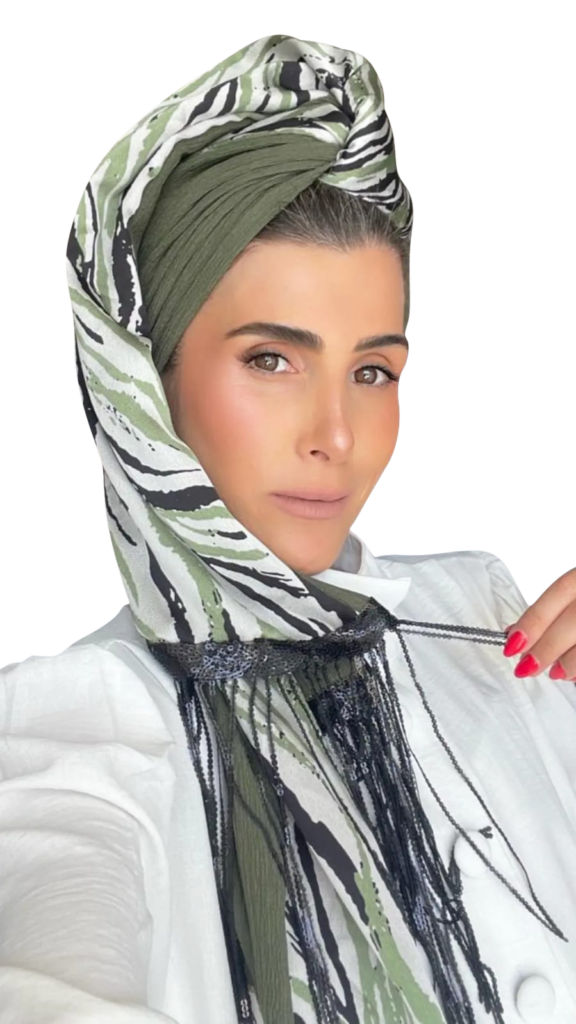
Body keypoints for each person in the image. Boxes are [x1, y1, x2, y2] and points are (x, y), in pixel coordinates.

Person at [1, 34, 575, 1024]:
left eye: (373, 370)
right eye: (271, 360)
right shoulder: (77, 722)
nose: (338, 436)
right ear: (145, 383)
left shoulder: (492, 614)